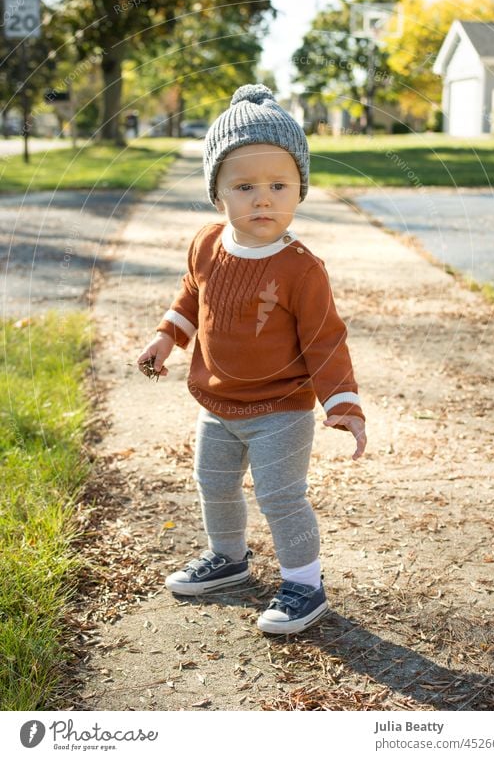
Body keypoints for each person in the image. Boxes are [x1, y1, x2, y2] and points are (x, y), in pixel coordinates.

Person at [136, 83, 367, 635]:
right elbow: (192, 294)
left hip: (280, 408)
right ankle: (229, 558)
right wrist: (168, 337)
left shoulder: (302, 269)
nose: (263, 199)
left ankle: (304, 584)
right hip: (216, 404)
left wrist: (343, 402)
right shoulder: (206, 244)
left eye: (278, 184)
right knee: (213, 484)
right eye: (244, 185)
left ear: (299, 192)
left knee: (280, 496)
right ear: (218, 194)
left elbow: (325, 340)